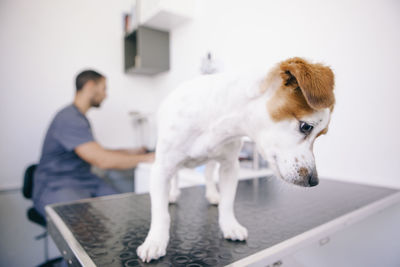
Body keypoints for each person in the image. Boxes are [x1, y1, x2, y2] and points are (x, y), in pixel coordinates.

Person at [33, 70, 154, 217]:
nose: (106, 95)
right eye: (104, 88)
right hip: (58, 186)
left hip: (85, 180)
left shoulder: (79, 117)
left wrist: (132, 152)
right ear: (90, 86)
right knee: (82, 225)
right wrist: (147, 158)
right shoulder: (69, 118)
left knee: (125, 211)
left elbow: (97, 152)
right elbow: (102, 160)